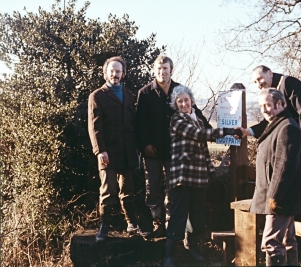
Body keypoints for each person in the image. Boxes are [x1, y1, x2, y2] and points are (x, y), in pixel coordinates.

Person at [164, 85, 242, 266]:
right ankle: (169, 255)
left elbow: (204, 150)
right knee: (178, 215)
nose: (183, 104)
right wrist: (227, 131)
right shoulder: (176, 120)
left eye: (186, 100)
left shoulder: (197, 119)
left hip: (199, 177)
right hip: (182, 176)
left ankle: (190, 249)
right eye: (180, 101)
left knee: (197, 216)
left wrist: (212, 172)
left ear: (192, 100)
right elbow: (199, 135)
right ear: (176, 104)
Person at [135, 55, 212, 238]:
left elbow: (193, 111)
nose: (162, 72)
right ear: (154, 70)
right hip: (152, 150)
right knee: (153, 187)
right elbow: (139, 123)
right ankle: (157, 224)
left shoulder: (179, 90)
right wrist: (145, 144)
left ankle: (173, 225)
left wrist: (208, 128)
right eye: (159, 69)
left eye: (166, 69)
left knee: (174, 189)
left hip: (175, 152)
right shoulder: (145, 93)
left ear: (171, 70)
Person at [250, 88, 301, 266]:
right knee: (288, 241)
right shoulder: (277, 125)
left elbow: (284, 166)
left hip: (281, 198)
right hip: (280, 197)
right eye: (261, 106)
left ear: (280, 104)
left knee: (271, 243)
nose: (264, 109)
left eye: (267, 105)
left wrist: (274, 196)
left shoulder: (288, 127)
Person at [88, 56, 140, 242]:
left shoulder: (129, 94)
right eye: (112, 71)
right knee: (108, 190)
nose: (115, 74)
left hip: (127, 151)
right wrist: (100, 151)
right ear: (106, 73)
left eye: (118, 71)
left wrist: (136, 149)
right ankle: (103, 227)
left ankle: (132, 224)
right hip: (107, 151)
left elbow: (134, 124)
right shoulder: (97, 96)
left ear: (123, 73)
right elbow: (94, 127)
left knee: (128, 190)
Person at [237, 65, 301, 159]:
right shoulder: (275, 91)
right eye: (255, 82)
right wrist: (247, 131)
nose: (259, 84)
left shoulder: (289, 83)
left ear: (270, 73)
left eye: (260, 78)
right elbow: (273, 121)